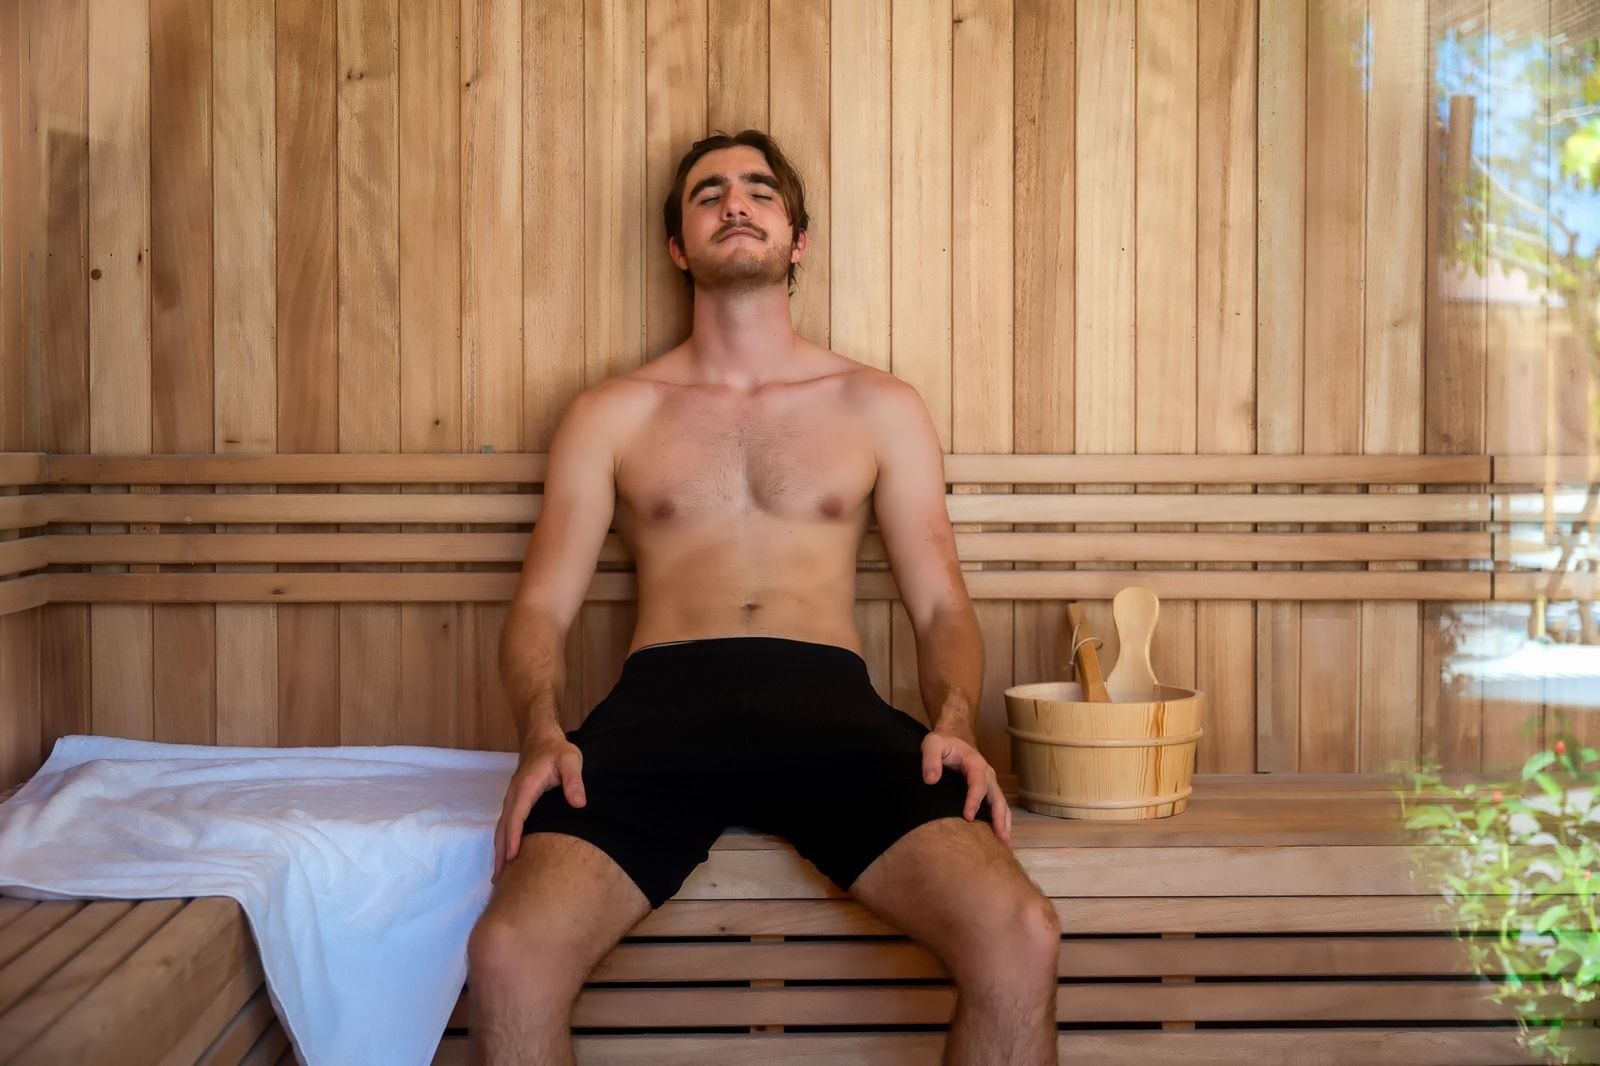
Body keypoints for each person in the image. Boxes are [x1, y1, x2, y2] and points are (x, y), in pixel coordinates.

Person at [466, 129, 1060, 1066]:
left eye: (758, 191)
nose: (734, 204)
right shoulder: (611, 412)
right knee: (506, 954)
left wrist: (952, 716)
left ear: (798, 240)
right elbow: (540, 608)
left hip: (831, 709)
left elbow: (942, 605)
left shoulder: (879, 405)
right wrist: (542, 731)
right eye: (708, 194)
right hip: (658, 712)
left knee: (1020, 931)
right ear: (678, 246)